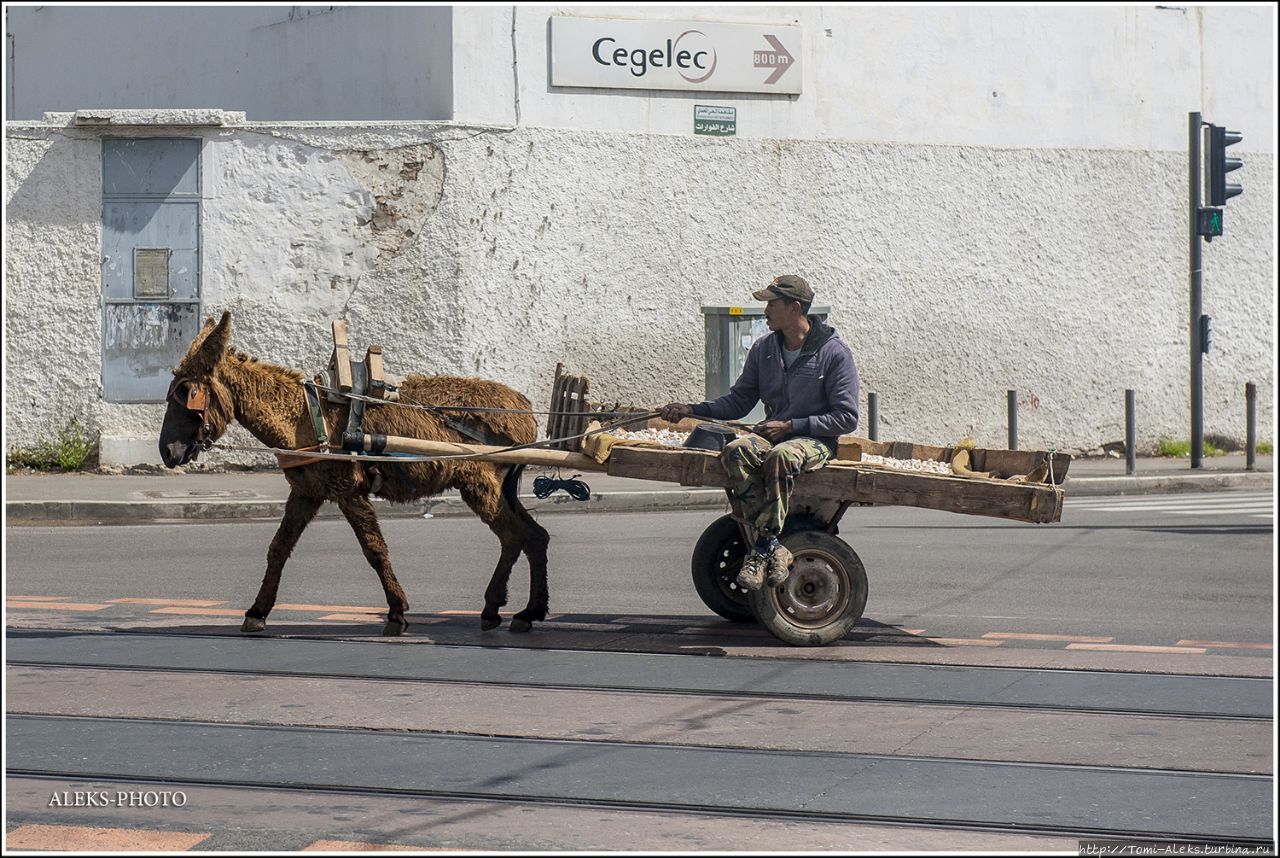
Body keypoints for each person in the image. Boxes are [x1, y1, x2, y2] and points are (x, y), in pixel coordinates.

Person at [661, 275, 860, 591]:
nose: (765, 309)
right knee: (736, 449)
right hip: (775, 434)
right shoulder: (765, 349)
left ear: (795, 308)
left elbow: (846, 418)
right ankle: (773, 546)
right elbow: (738, 401)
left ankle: (764, 543)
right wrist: (691, 409)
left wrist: (793, 426)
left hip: (815, 441)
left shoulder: (834, 354)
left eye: (771, 303)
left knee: (782, 454)